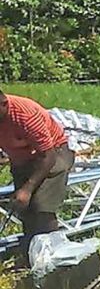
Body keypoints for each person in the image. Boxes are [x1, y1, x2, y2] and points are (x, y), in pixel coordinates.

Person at [0, 89, 75, 267]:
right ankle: (31, 259)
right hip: (22, 158)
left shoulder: (25, 114)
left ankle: (54, 263)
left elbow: (47, 156)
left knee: (41, 207)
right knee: (24, 210)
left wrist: (27, 188)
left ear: (4, 104)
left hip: (52, 154)